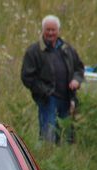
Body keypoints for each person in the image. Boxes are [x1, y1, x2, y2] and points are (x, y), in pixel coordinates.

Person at [20, 15, 84, 143]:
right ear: (42, 30)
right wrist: (44, 91)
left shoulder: (67, 49)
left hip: (67, 99)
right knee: (48, 137)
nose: (50, 33)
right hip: (48, 100)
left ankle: (66, 161)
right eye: (47, 30)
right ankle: (46, 159)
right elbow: (27, 77)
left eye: (53, 30)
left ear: (58, 31)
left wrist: (76, 80)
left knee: (67, 136)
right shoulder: (34, 51)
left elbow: (79, 68)